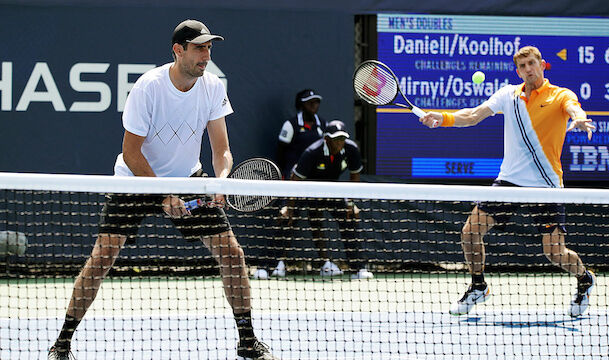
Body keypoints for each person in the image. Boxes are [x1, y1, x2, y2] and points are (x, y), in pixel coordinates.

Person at [48, 20, 278, 360]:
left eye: (209, 47)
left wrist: (221, 180)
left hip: (187, 178)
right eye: (199, 48)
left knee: (232, 255)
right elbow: (131, 152)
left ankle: (247, 342)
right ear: (178, 50)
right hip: (135, 180)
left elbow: (221, 150)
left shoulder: (213, 87)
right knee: (102, 258)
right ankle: (62, 343)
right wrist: (162, 195)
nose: (206, 54)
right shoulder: (148, 88)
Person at [419, 46, 596, 317]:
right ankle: (478, 286)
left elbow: (573, 108)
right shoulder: (508, 95)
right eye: (523, 65)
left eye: (532, 63)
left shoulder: (559, 95)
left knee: (554, 253)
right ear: (518, 71)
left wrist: (580, 119)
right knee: (470, 232)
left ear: (542, 65)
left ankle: (584, 278)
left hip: (546, 185)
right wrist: (442, 118)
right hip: (509, 181)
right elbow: (473, 115)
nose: (528, 69)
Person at [278, 120, 373, 280]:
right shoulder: (311, 152)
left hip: (330, 190)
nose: (340, 143)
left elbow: (354, 177)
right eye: (336, 140)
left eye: (342, 139)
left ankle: (359, 268)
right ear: (326, 139)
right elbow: (295, 182)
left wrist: (351, 203)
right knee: (287, 220)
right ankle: (273, 265)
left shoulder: (351, 149)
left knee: (349, 220)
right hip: (304, 189)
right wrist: (289, 207)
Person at [253, 89, 327, 279]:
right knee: (287, 220)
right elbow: (281, 152)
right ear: (302, 105)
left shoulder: (323, 125)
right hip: (293, 182)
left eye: (316, 102)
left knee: (317, 221)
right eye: (310, 102)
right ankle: (279, 263)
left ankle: (325, 263)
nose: (314, 105)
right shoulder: (291, 125)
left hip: (314, 183)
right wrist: (284, 177)